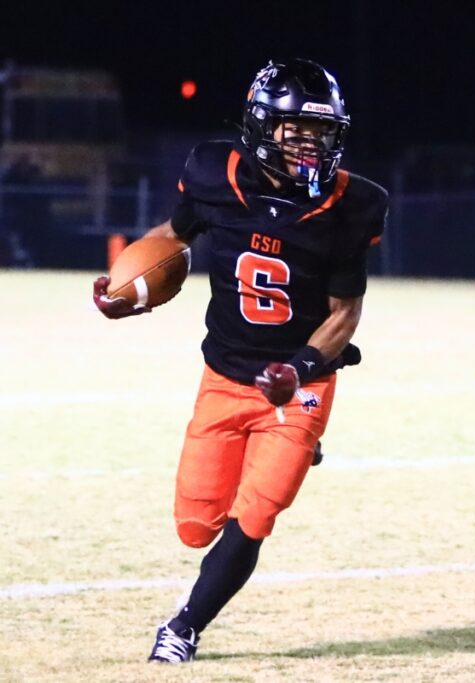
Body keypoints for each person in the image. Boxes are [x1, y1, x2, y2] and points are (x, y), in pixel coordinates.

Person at [92, 58, 388, 663]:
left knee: (257, 511)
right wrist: (131, 292)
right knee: (195, 527)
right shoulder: (213, 173)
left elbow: (344, 315)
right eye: (296, 133)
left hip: (299, 383)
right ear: (260, 129)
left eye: (321, 134)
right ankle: (296, 452)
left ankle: (184, 627)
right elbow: (173, 236)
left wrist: (300, 369)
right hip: (224, 375)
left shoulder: (351, 205)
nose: (311, 147)